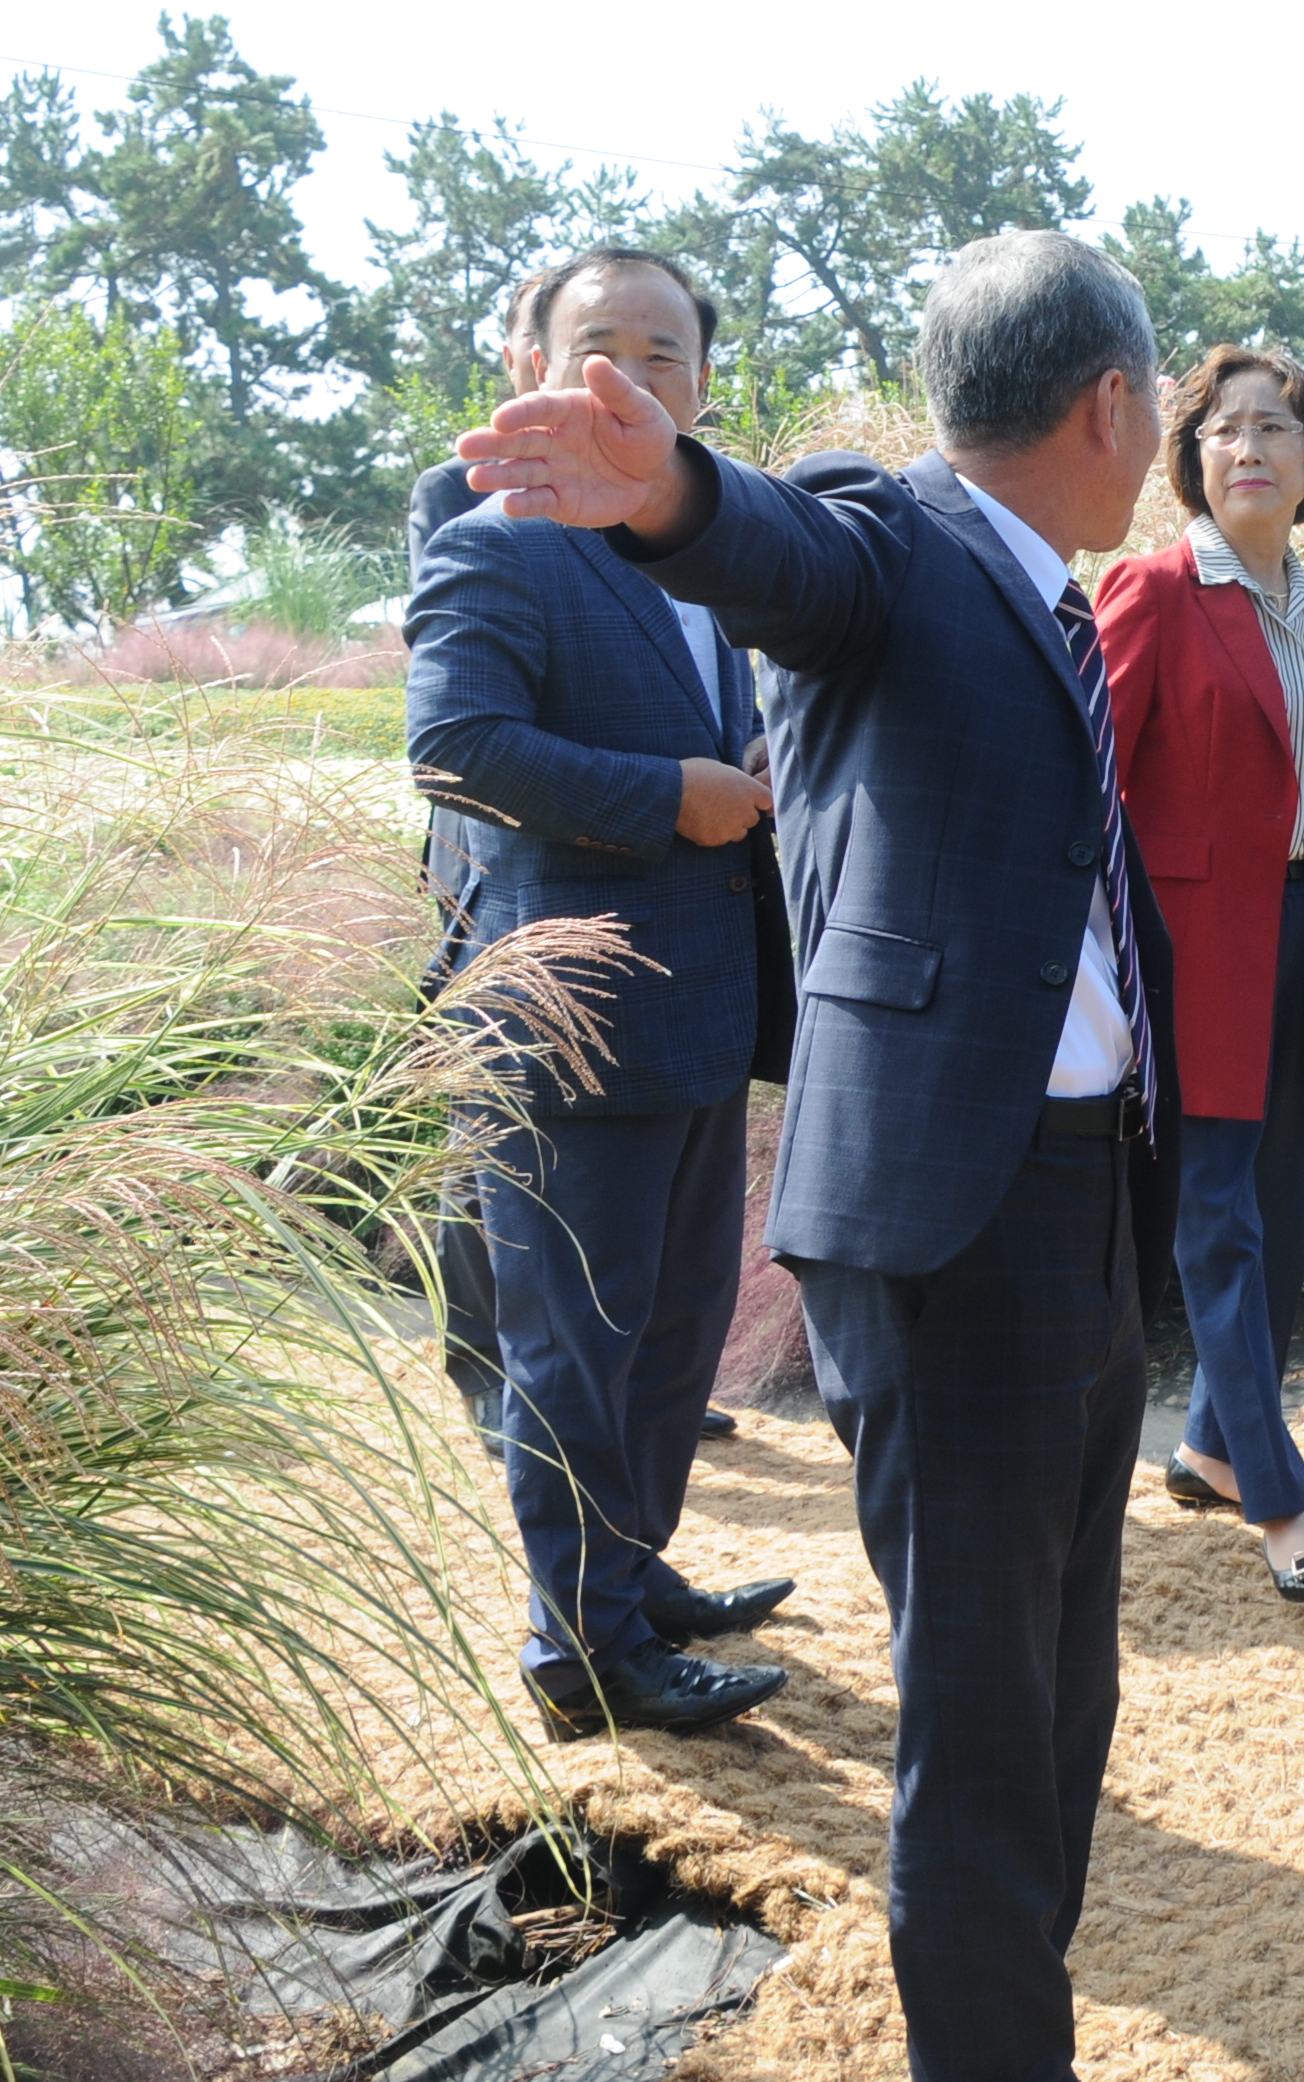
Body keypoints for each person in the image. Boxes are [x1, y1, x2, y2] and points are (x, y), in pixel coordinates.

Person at [458, 229, 1181, 2082]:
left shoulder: (1043, 588)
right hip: (962, 1214)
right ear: (1112, 401)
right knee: (984, 1709)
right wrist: (673, 496)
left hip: (1079, 1182)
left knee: (1055, 1682)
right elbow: (790, 555)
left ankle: (1014, 2004)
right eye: (1160, 392)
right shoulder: (900, 534)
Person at [406, 249, 799, 1744]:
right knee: (577, 1345)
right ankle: (583, 1651)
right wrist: (671, 796)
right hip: (567, 1022)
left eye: (667, 353)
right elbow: (456, 751)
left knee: (679, 1328)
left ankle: (631, 1580)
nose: (630, 377)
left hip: (697, 1013)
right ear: (527, 365)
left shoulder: (704, 556)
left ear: (701, 386)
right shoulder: (501, 546)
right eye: (597, 346)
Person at [1097, 345, 1304, 1603]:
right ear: (1195, 454)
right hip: (1193, 953)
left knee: (1278, 1216)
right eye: (1226, 428)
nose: (1252, 447)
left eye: (1277, 427)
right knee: (1217, 1218)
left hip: (1298, 939)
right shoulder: (1155, 589)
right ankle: (1277, 1494)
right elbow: (1093, 782)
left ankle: (1216, 1443)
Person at [412, 278, 552, 1455]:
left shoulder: (669, 505)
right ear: (520, 356)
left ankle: (589, 1373)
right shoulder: (457, 499)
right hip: (484, 847)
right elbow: (461, 707)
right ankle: (482, 1359)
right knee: (489, 1113)